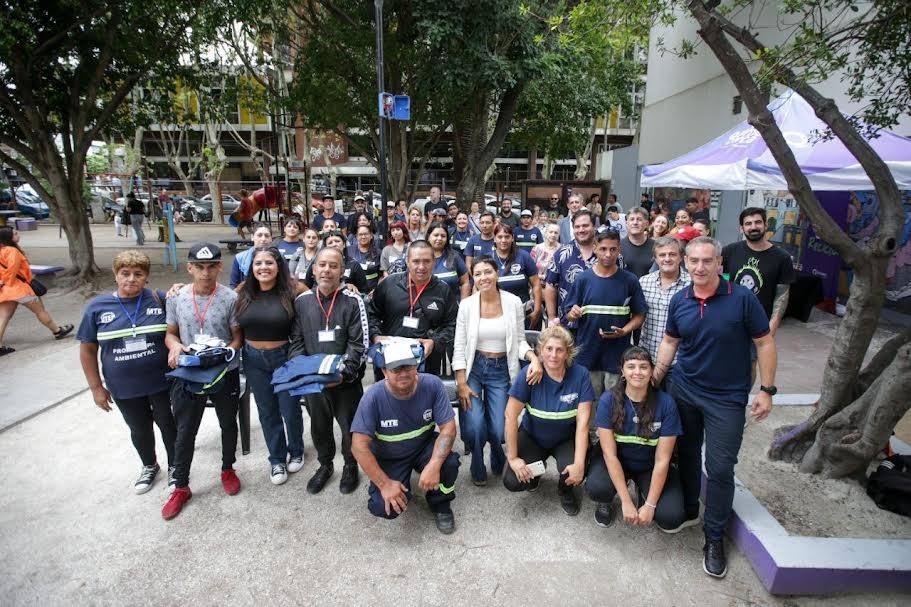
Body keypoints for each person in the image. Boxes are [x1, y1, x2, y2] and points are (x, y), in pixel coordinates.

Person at [652, 236, 778, 578]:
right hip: (685, 390)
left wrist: (766, 390)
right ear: (685, 262)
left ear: (720, 264)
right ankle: (690, 508)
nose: (700, 267)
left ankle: (714, 536)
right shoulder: (680, 299)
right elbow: (670, 341)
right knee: (687, 453)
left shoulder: (742, 298)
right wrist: (656, 378)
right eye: (693, 261)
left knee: (720, 468)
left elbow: (764, 343)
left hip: (727, 398)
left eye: (707, 261)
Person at [77, 250, 176, 494]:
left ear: (146, 277)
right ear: (116, 274)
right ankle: (150, 465)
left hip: (162, 381)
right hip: (123, 385)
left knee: (169, 425)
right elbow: (87, 350)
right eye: (125, 273)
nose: (131, 279)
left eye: (138, 274)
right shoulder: (97, 307)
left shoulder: (159, 299)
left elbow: (183, 313)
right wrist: (96, 388)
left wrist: (180, 288)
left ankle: (177, 466)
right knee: (139, 429)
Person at [162, 243, 243, 520]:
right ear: (190, 268)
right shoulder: (177, 297)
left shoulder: (230, 297)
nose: (205, 273)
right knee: (185, 428)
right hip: (189, 369)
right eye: (199, 267)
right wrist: (174, 346)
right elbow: (170, 332)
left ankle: (228, 468)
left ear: (220, 266)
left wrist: (227, 352)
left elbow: (237, 336)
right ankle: (181, 485)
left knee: (227, 421)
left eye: (211, 266)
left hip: (223, 369)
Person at [350, 341, 460, 534]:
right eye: (396, 369)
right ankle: (396, 486)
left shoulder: (432, 385)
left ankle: (441, 504)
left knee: (448, 464)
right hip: (389, 456)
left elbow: (448, 428)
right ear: (384, 371)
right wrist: (385, 484)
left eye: (407, 367)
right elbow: (358, 446)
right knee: (384, 507)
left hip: (423, 446)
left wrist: (434, 464)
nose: (403, 373)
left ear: (416, 366)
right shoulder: (372, 397)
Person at [453, 257, 542, 486]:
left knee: (499, 428)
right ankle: (477, 462)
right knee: (475, 425)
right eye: (478, 274)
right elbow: (459, 345)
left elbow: (520, 341)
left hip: (501, 369)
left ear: (497, 274)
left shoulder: (513, 302)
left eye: (488, 272)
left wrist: (533, 357)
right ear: (473, 278)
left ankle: (496, 451)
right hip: (474, 368)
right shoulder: (467, 305)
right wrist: (461, 382)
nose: (483, 278)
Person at [289, 247, 369, 495]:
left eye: (333, 266)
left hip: (345, 382)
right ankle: (325, 465)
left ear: (341, 271)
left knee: (349, 426)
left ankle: (350, 465)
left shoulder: (353, 301)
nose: (327, 270)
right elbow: (296, 341)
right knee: (319, 425)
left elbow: (359, 344)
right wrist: (306, 373)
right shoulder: (302, 302)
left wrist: (342, 374)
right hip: (313, 382)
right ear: (313, 270)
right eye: (322, 265)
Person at [585, 346, 685, 530]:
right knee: (597, 488)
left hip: (649, 465)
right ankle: (606, 500)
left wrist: (651, 505)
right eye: (631, 366)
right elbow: (609, 455)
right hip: (618, 461)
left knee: (671, 516)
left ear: (652, 371)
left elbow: (663, 460)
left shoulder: (666, 404)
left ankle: (644, 491)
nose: (637, 372)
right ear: (622, 371)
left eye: (643, 367)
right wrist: (625, 500)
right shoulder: (608, 400)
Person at [234, 246, 304, 486]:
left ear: (278, 266)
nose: (263, 267)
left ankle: (296, 450)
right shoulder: (243, 291)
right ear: (251, 268)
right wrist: (176, 288)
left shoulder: (292, 289)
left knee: (290, 409)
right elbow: (216, 297)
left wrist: (348, 287)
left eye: (269, 263)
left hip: (285, 357)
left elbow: (319, 297)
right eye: (258, 263)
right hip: (253, 359)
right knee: (267, 411)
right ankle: (276, 459)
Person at [503, 325, 591, 515]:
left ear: (568, 353)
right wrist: (513, 458)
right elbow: (510, 415)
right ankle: (535, 474)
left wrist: (579, 464)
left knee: (577, 468)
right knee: (512, 480)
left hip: (566, 439)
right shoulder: (529, 373)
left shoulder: (581, 375)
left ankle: (565, 490)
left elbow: (583, 425)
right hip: (533, 437)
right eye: (549, 349)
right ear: (540, 351)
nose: (553, 355)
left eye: (560, 350)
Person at [563, 229, 647, 400]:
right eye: (603, 249)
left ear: (619, 249)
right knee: (588, 403)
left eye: (613, 249)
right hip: (588, 355)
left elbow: (640, 315)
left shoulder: (629, 280)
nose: (608, 254)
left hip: (617, 356)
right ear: (595, 248)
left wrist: (624, 331)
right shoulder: (583, 279)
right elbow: (568, 314)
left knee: (615, 403)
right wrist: (573, 313)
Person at [367, 241, 459, 377]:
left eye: (426, 261)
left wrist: (434, 342)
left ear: (434, 262)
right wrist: (375, 336)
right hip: (390, 360)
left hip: (426, 361)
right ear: (407, 261)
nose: (421, 267)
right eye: (416, 261)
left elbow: (453, 324)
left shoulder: (443, 290)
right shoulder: (389, 284)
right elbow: (371, 315)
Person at [722, 207, 795, 344]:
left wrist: (772, 328)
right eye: (748, 223)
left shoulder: (782, 258)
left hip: (759, 326)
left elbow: (782, 296)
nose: (753, 227)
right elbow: (720, 280)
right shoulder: (729, 251)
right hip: (729, 320)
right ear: (741, 228)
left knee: (753, 358)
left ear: (766, 225)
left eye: (758, 222)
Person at [0, 226, 73, 355]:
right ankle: (57, 331)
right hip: (19, 288)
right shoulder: (12, 251)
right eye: (15, 233)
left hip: (6, 290)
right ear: (8, 238)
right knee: (40, 310)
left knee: (3, 317)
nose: (18, 235)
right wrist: (9, 282)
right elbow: (12, 270)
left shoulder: (2, 251)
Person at [638, 237, 691, 365]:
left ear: (681, 257)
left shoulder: (692, 284)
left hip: (679, 360)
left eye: (672, 254)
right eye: (662, 255)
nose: (667, 259)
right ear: (655, 259)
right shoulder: (644, 282)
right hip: (646, 356)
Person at [544, 209, 597, 323]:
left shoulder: (607, 253)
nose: (581, 230)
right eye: (577, 227)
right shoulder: (561, 254)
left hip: (598, 324)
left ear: (594, 226)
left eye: (585, 226)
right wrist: (552, 318)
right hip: (567, 324)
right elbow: (550, 286)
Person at [492, 223, 542, 329]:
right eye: (500, 237)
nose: (503, 240)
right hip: (497, 313)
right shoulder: (489, 259)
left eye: (507, 237)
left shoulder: (523, 256)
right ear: (494, 238)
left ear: (512, 238)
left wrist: (537, 310)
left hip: (523, 311)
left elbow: (536, 284)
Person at [302, 231, 368, 295]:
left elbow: (363, 291)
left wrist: (349, 289)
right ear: (325, 247)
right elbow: (307, 286)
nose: (334, 244)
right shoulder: (317, 262)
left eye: (337, 241)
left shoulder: (353, 264)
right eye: (330, 243)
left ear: (344, 244)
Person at [426, 222, 470, 300]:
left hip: (453, 305)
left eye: (443, 236)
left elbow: (465, 282)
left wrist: (463, 304)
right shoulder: (421, 258)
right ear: (428, 236)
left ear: (447, 239)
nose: (439, 238)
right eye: (436, 235)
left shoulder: (455, 257)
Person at [230, 223, 274, 288]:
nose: (263, 239)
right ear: (252, 237)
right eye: (259, 235)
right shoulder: (240, 258)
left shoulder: (278, 257)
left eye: (267, 236)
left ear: (271, 239)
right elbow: (233, 285)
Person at [347, 223, 382, 294]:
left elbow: (382, 275)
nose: (363, 237)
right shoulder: (348, 250)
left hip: (373, 291)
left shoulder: (379, 253)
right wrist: (348, 284)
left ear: (371, 236)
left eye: (366, 234)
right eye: (360, 234)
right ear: (356, 236)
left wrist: (377, 289)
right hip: (352, 291)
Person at [620, 207, 653, 278]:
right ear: (626, 223)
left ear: (647, 223)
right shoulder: (618, 247)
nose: (635, 223)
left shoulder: (656, 247)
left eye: (639, 219)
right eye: (632, 219)